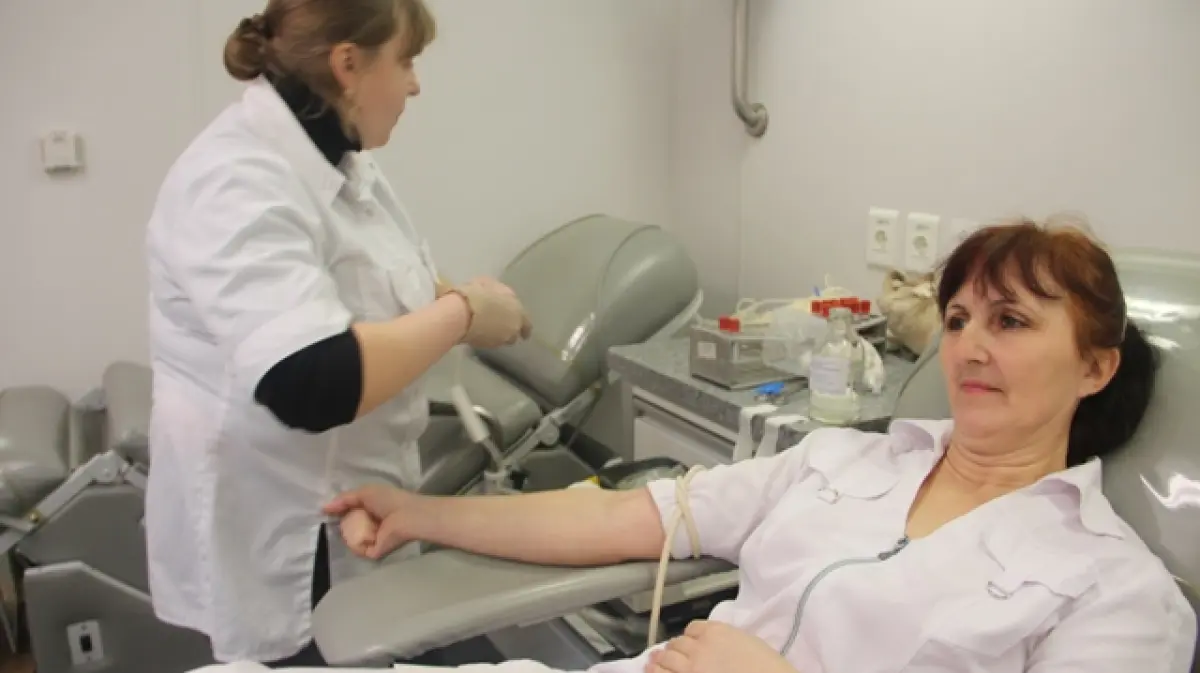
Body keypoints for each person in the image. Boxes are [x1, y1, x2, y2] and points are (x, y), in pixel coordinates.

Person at [198, 216, 1198, 673]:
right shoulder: (850, 458)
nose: (969, 346)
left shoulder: (1117, 593)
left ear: (1096, 365)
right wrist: (420, 512)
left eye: (1012, 321)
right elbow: (624, 517)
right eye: (962, 317)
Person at [143, 0, 533, 667]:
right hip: (291, 531)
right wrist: (464, 315)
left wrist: (459, 299)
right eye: (406, 61)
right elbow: (310, 380)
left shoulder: (339, 158)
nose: (415, 85)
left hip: (355, 508)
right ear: (348, 64)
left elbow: (379, 276)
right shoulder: (236, 179)